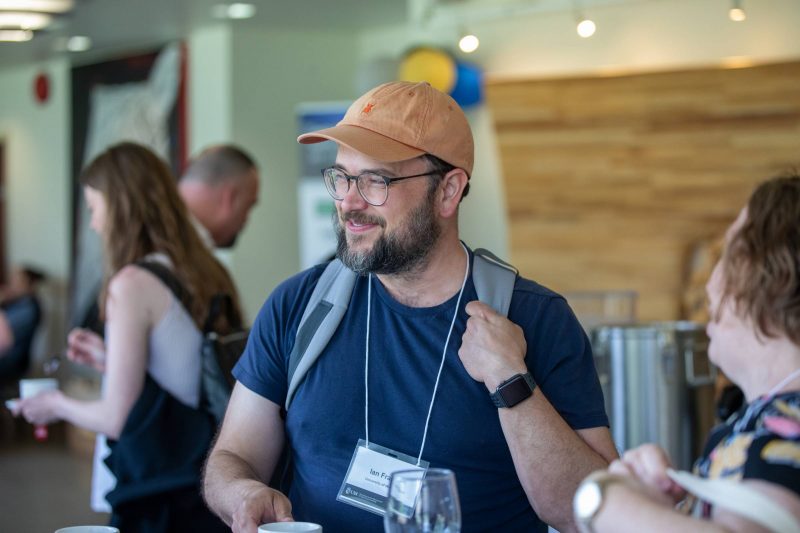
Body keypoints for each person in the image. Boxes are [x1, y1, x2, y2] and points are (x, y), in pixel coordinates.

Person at [203, 81, 618, 533]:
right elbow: (233, 456)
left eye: (375, 180)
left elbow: (590, 512)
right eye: (341, 177)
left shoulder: (535, 318)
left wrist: (511, 381)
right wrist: (242, 492)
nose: (348, 203)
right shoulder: (300, 305)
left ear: (448, 191)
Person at [12, 142, 241, 532]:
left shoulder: (131, 285)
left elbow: (117, 419)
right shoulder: (203, 267)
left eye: (94, 209)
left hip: (168, 484)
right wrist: (110, 358)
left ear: (120, 207)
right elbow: (186, 368)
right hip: (210, 469)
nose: (93, 224)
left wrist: (56, 404)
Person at [572, 174, 800, 532]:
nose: (710, 284)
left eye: (729, 255)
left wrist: (605, 499)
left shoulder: (791, 422)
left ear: (772, 277)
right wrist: (668, 507)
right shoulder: (766, 415)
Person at [69, 143, 260, 371]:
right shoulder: (188, 266)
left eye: (93, 209)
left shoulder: (140, 275)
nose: (94, 225)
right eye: (249, 206)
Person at [178, 143, 260, 249]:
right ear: (229, 198)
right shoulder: (177, 254)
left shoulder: (161, 234)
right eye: (248, 206)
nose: (246, 220)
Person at [0, 266, 46, 381]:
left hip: (10, 361)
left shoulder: (29, 307)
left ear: (31, 285)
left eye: (18, 280)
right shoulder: (16, 304)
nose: (13, 284)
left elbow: (4, 335)